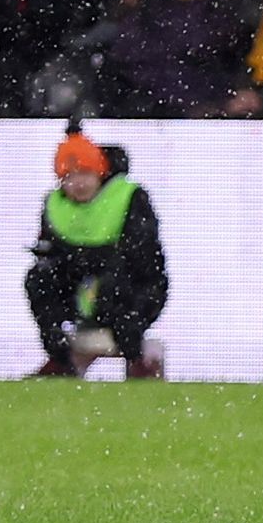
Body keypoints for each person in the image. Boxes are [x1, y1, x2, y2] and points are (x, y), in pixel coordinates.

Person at [26, 123, 170, 379]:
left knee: (117, 284)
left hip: (129, 286)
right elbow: (50, 254)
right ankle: (59, 358)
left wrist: (93, 264)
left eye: (84, 174)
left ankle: (135, 355)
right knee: (39, 279)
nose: (78, 184)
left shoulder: (129, 197)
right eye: (69, 176)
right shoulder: (54, 205)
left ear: (99, 172)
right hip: (79, 283)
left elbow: (142, 258)